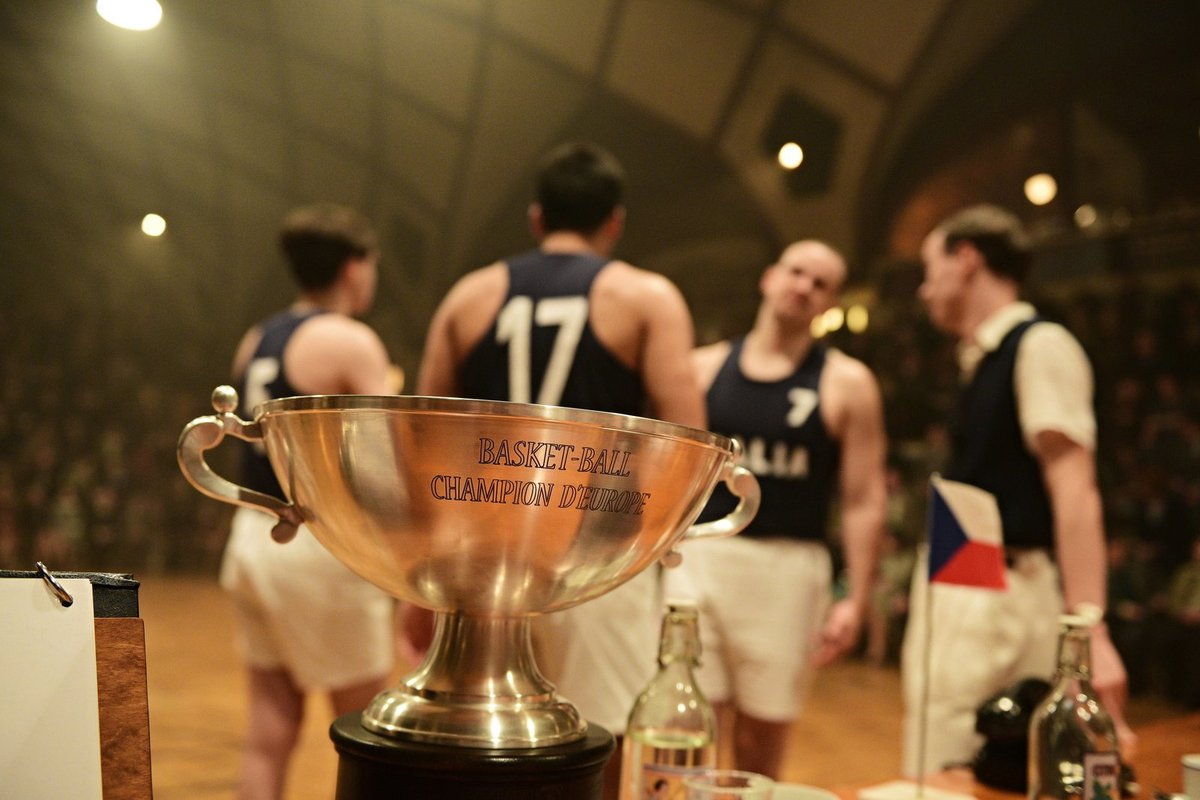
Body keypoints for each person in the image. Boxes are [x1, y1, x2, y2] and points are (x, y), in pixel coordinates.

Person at [415, 141, 704, 798]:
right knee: (599, 731)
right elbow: (685, 437)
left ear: (536, 217)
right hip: (596, 547)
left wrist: (419, 571)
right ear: (614, 222)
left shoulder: (471, 295)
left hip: (478, 550)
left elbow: (424, 435)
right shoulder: (645, 296)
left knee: (477, 734)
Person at [902, 203, 1135, 776]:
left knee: (967, 768)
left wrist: (1090, 633)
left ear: (966, 259)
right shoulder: (979, 358)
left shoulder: (1039, 345)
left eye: (930, 267)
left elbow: (1075, 491)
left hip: (1001, 595)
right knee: (947, 763)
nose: (925, 289)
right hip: (967, 584)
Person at [666, 239, 888, 779]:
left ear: (829, 302)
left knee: (762, 738)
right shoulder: (702, 368)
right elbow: (669, 477)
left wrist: (856, 599)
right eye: (797, 273)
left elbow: (863, 499)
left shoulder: (848, 383)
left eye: (821, 283)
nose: (804, 287)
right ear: (769, 278)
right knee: (692, 724)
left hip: (788, 569)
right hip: (702, 559)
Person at [220, 204, 398, 800]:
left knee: (269, 731)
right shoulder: (350, 340)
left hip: (251, 537)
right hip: (317, 543)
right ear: (354, 267)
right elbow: (384, 466)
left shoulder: (257, 337)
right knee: (369, 737)